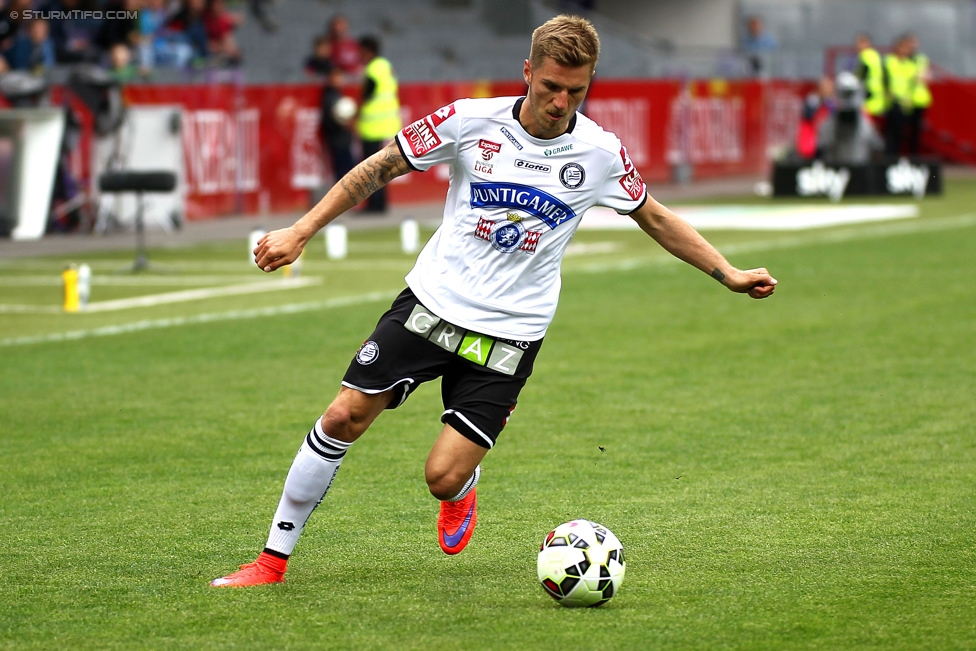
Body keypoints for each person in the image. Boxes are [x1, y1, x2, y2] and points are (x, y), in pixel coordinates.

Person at [210, 14, 777, 589]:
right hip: (430, 306)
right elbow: (380, 167)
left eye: (575, 91)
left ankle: (462, 488)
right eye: (549, 86)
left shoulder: (600, 153)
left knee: (441, 476)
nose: (560, 102)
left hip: (510, 335)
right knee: (342, 415)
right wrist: (301, 231)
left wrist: (725, 272)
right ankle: (271, 561)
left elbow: (654, 216)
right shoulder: (468, 120)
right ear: (527, 71)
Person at [355, 34, 401, 213]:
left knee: (371, 168)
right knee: (381, 167)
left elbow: (367, 96)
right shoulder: (386, 66)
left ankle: (374, 205)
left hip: (373, 127)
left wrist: (356, 116)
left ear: (368, 51)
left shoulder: (372, 70)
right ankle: (380, 204)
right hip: (388, 125)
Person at [816, 71, 883, 164]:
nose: (847, 100)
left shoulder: (864, 120)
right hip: (836, 168)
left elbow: (876, 144)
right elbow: (822, 144)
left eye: (850, 94)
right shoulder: (830, 118)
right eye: (844, 94)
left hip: (859, 167)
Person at [319, 66, 355, 182]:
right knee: (344, 176)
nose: (340, 79)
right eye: (337, 77)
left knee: (349, 173)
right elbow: (327, 121)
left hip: (343, 141)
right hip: (338, 142)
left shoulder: (336, 95)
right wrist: (340, 122)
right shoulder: (329, 97)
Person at [883, 34, 915, 157]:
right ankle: (889, 157)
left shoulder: (909, 64)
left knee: (900, 133)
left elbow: (911, 83)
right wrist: (888, 93)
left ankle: (896, 157)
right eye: (903, 46)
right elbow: (884, 79)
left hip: (904, 103)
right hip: (892, 101)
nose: (905, 50)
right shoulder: (890, 61)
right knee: (890, 132)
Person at [905, 34, 931, 156]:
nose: (913, 46)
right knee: (902, 131)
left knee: (916, 131)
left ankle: (914, 156)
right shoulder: (902, 59)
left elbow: (926, 76)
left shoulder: (921, 59)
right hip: (905, 100)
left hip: (919, 99)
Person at [854, 33, 886, 129]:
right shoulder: (875, 55)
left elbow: (862, 74)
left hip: (868, 94)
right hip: (877, 94)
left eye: (860, 43)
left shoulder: (865, 55)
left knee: (865, 124)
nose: (857, 46)